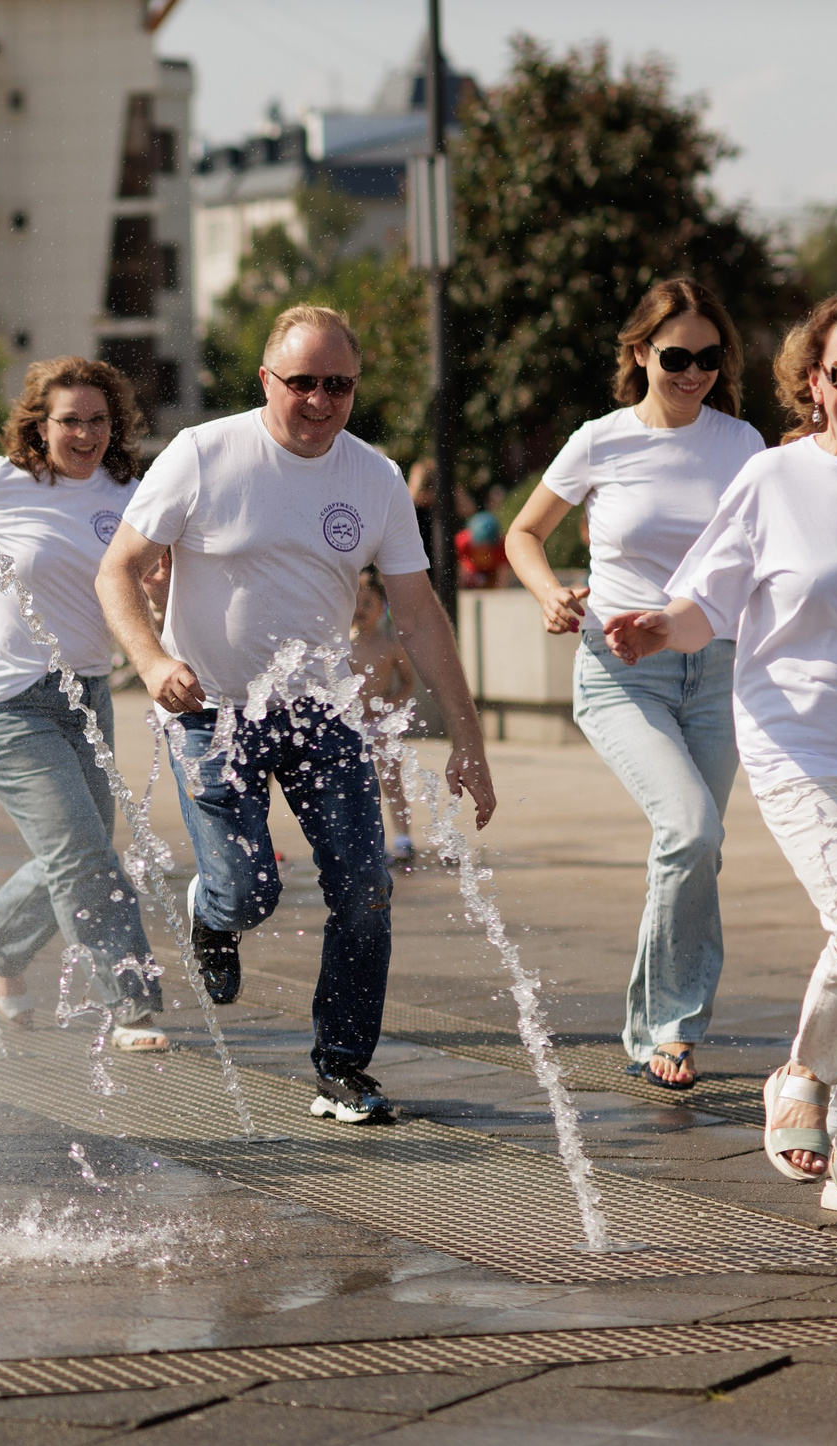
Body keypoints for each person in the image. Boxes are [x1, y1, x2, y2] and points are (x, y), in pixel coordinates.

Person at [96, 303, 497, 1125]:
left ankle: (343, 1068)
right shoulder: (204, 454)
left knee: (365, 887)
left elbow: (418, 614)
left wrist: (468, 735)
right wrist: (153, 661)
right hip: (212, 710)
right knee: (250, 893)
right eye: (303, 383)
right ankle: (214, 910)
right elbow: (117, 571)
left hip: (323, 715)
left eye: (339, 385)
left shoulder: (375, 478)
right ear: (266, 381)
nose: (320, 401)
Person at [608, 287, 837, 1220]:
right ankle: (804, 1072)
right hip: (802, 741)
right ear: (814, 380)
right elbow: (707, 603)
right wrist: (658, 627)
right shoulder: (775, 478)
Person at [508, 278, 765, 1092]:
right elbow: (524, 532)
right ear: (639, 354)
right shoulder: (600, 441)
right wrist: (551, 593)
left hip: (718, 670)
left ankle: (651, 1021)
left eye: (709, 358)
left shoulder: (745, 444)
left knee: (690, 850)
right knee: (690, 830)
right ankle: (674, 1026)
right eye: (676, 357)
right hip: (623, 674)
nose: (693, 373)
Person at [0, 355, 167, 1051]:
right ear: (39, 425)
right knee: (82, 853)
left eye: (98, 421)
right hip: (5, 702)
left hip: (87, 697)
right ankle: (132, 1004)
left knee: (77, 849)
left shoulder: (130, 491)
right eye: (70, 421)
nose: (85, 435)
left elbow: (148, 582)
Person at [349, 569, 418, 863]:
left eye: (368, 604)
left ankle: (403, 837)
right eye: (356, 603)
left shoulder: (390, 645)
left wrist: (390, 702)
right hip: (351, 723)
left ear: (382, 608)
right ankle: (360, 839)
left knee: (390, 779)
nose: (361, 610)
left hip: (381, 720)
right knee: (354, 782)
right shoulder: (342, 644)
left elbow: (407, 682)